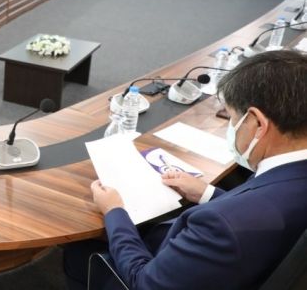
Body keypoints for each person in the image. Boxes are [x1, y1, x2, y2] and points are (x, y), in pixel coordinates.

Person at [64, 50, 307, 290]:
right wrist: (206, 193)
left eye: (233, 119)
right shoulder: (291, 175)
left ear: (258, 124)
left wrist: (114, 211)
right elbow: (255, 209)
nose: (231, 127)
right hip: (230, 266)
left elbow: (144, 282)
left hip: (163, 270)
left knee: (78, 252)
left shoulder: (224, 225)